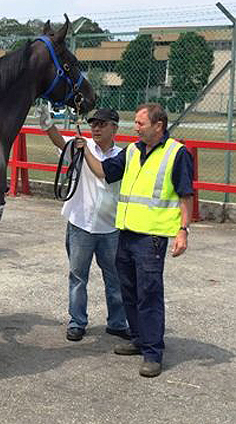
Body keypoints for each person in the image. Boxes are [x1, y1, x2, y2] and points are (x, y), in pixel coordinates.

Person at [77, 103, 194, 378]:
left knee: (149, 295)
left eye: (141, 123)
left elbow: (186, 193)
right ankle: (139, 339)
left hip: (151, 238)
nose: (135, 127)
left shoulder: (176, 153)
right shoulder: (132, 151)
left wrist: (183, 230)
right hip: (126, 233)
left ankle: (153, 352)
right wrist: (83, 152)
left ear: (158, 126)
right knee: (129, 290)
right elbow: (105, 172)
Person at [39, 105, 130, 342]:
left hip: (110, 227)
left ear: (114, 128)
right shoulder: (81, 146)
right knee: (78, 277)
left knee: (115, 278)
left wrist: (83, 148)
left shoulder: (122, 156)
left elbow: (102, 172)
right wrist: (48, 124)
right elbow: (60, 142)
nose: (96, 128)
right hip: (81, 224)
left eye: (102, 124)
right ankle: (77, 321)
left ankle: (118, 323)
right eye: (93, 124)